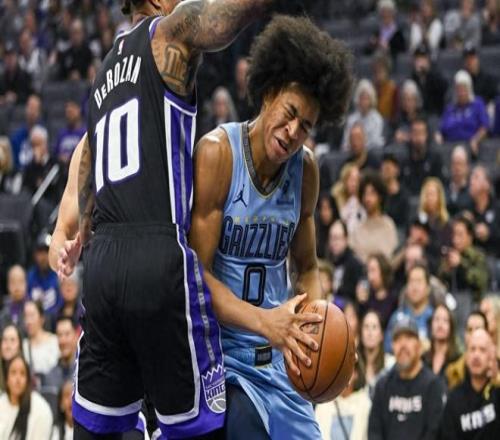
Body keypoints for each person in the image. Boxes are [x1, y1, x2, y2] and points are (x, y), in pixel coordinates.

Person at [68, 0, 289, 438]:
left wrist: (80, 229)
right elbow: (225, 17)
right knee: (196, 426)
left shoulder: (103, 73)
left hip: (101, 264)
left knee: (97, 426)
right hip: (158, 255)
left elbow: (89, 157)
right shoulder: (167, 33)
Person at [188, 15, 353, 439]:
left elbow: (308, 268)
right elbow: (196, 277)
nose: (293, 132)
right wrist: (266, 323)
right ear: (269, 93)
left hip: (281, 363)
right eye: (290, 113)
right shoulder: (218, 155)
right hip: (225, 362)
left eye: (306, 126)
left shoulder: (306, 170)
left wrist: (316, 333)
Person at [368, 314, 446, 440]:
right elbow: (374, 432)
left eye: (409, 338)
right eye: (397, 339)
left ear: (419, 345)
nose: (403, 345)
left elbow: (434, 432)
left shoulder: (433, 386)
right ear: (392, 346)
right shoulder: (382, 386)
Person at [439, 328, 500, 439]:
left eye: (482, 350)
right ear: (466, 357)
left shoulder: (497, 392)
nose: (476, 355)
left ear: (490, 357)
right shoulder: (454, 399)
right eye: (472, 349)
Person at [349, 171, 398, 263]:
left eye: (372, 193)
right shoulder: (357, 228)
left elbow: (391, 257)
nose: (367, 199)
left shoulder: (388, 225)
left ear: (380, 196)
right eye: (365, 194)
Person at [0, 355, 53, 440]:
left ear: (28, 380)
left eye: (22, 373)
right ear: (7, 380)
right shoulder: (1, 403)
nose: (18, 379)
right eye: (13, 372)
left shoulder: (41, 409)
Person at [445, 310, 489, 388]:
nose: (473, 334)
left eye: (478, 329)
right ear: (465, 335)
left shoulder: (497, 371)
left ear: (487, 334)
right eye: (469, 330)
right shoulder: (453, 371)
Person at [422, 303, 461, 387]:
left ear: (451, 326)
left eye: (445, 320)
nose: (440, 325)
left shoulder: (458, 359)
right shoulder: (423, 359)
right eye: (436, 319)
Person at [327, 220, 364, 303]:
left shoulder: (355, 265)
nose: (333, 242)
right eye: (331, 238)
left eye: (337, 238)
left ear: (346, 239)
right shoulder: (327, 262)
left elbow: (357, 298)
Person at [359, 310, 395, 395]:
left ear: (381, 335)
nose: (370, 332)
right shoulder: (354, 365)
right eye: (366, 327)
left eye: (374, 327)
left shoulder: (391, 364)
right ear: (361, 333)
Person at [22, 300, 60, 381]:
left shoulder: (54, 341)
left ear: (42, 318)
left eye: (31, 316)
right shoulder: (23, 345)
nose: (28, 321)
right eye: (26, 316)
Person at [0, 265, 28, 333]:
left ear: (26, 283)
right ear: (8, 285)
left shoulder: (32, 309)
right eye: (13, 282)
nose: (17, 286)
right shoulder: (3, 310)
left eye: (20, 281)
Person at [0, 324, 23, 393]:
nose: (8, 345)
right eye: (5, 340)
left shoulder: (25, 372)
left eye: (12, 340)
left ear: (19, 346)